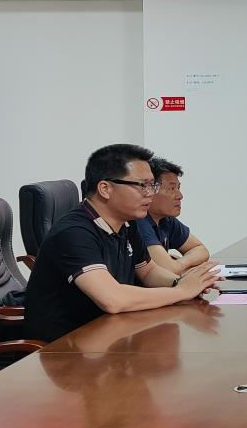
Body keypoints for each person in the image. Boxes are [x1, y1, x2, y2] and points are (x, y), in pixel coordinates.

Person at [24, 143, 220, 342]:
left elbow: (148, 272)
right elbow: (112, 299)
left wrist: (179, 282)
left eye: (152, 185)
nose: (150, 193)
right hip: (65, 347)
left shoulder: (127, 223)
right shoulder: (74, 233)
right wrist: (181, 291)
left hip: (108, 334)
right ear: (105, 189)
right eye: (142, 185)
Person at [136, 157, 210, 276]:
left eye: (178, 188)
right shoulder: (138, 221)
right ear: (150, 189)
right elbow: (169, 269)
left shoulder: (166, 220)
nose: (180, 196)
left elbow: (201, 250)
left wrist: (180, 263)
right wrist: (176, 265)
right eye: (171, 189)